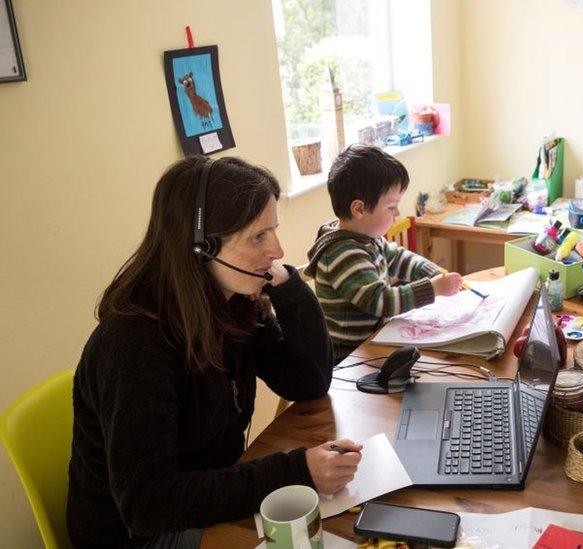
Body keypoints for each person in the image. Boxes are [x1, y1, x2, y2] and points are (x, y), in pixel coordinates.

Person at [67, 157, 362, 548]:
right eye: (258, 237)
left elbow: (306, 381)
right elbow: (147, 505)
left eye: (273, 230)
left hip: (204, 498)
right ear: (202, 248)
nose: (277, 249)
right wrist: (296, 470)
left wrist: (291, 287)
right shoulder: (133, 343)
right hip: (140, 535)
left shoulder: (231, 304)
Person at [305, 145, 463, 360]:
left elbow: (398, 257)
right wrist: (432, 289)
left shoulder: (366, 237)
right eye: (391, 207)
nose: (397, 213)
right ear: (359, 209)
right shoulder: (343, 254)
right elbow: (380, 301)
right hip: (349, 358)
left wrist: (433, 272)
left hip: (374, 343)